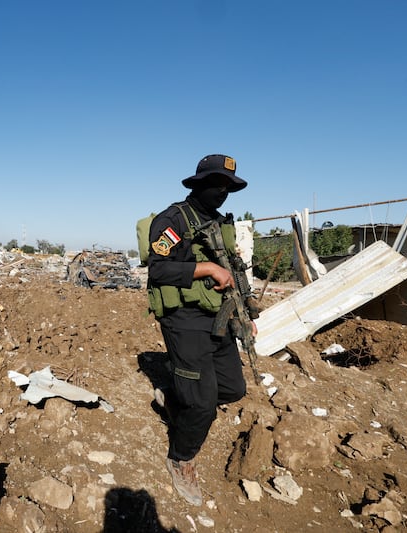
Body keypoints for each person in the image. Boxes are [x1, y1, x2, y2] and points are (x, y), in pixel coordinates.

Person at [146, 153, 255, 506]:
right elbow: (158, 271)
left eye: (227, 187)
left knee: (233, 388)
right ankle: (181, 458)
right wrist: (205, 268)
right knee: (204, 404)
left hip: (217, 316)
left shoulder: (222, 223)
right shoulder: (173, 219)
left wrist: (246, 313)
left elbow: (234, 271)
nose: (222, 192)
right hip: (184, 319)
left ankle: (179, 397)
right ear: (199, 184)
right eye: (216, 185)